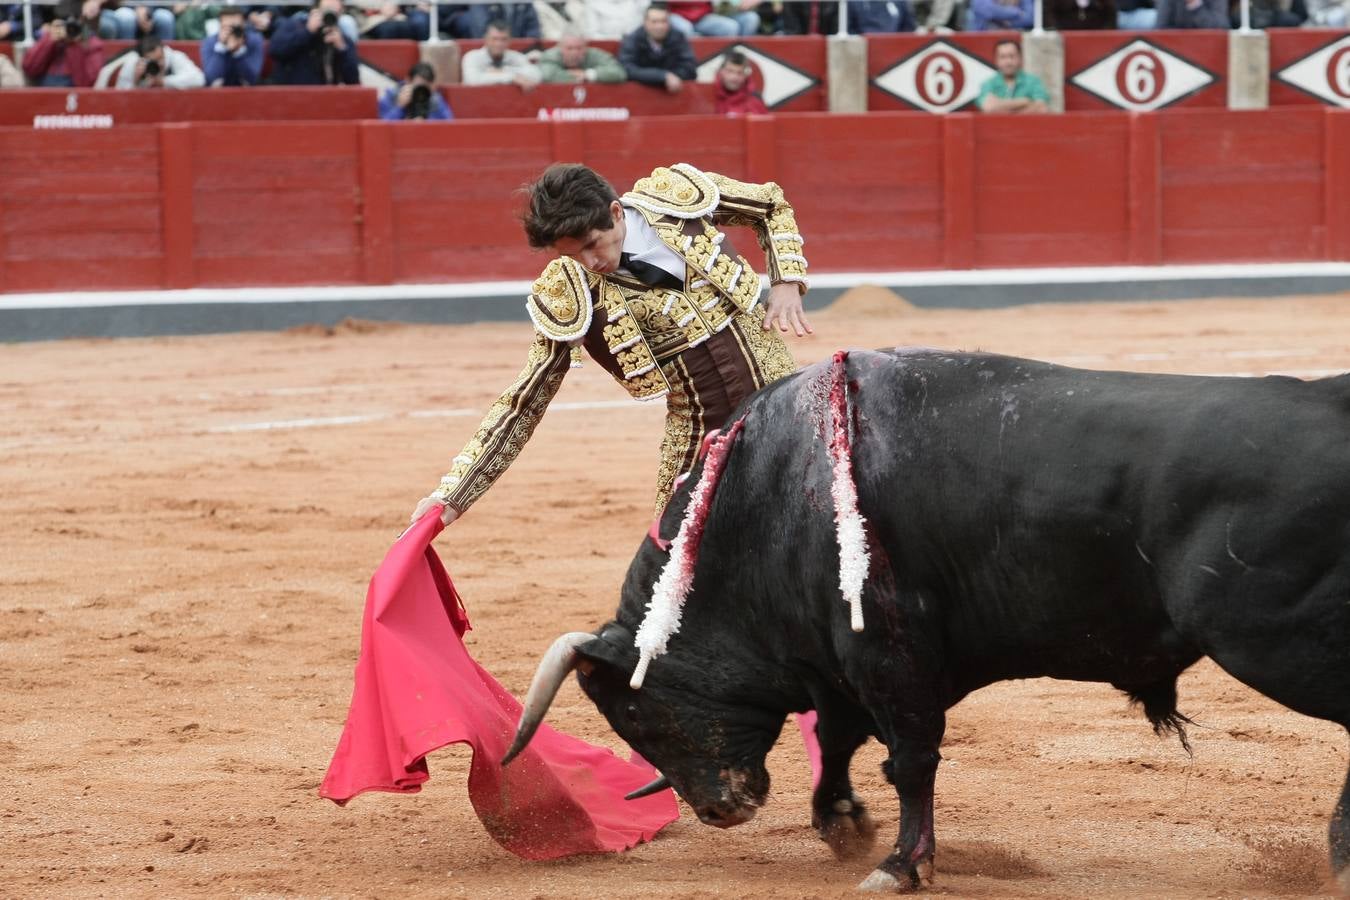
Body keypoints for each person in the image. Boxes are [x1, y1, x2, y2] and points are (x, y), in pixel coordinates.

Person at [408, 161, 812, 529]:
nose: (590, 262)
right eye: (573, 254)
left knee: (827, 515)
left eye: (592, 244)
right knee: (675, 553)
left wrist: (786, 283)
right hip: (697, 430)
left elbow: (769, 205)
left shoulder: (677, 197)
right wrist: (453, 496)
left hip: (781, 399)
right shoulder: (571, 292)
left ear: (615, 212)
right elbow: (525, 400)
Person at [268, 0, 359, 85]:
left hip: (325, 96)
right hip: (291, 93)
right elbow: (275, 50)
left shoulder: (342, 40)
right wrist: (308, 31)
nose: (328, 17)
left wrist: (342, 49)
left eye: (334, 13)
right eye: (326, 11)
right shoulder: (295, 26)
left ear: (341, 12)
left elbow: (353, 80)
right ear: (315, 10)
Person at [20, 1, 105, 87]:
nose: (69, 29)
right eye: (66, 22)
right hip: (45, 93)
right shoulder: (52, 37)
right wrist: (50, 40)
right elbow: (30, 69)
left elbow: (86, 83)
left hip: (75, 95)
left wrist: (75, 44)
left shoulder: (91, 42)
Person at [618, 3, 696, 95]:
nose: (659, 26)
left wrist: (672, 76)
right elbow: (627, 68)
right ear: (645, 22)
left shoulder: (678, 37)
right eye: (654, 22)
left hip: (674, 97)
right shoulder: (633, 39)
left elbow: (689, 67)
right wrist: (663, 76)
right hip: (638, 95)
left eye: (663, 21)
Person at [461, 19, 540, 87]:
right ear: (486, 39)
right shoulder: (472, 57)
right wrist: (511, 78)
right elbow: (472, 80)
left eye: (504, 39)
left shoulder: (516, 56)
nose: (499, 44)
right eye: (495, 39)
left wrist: (503, 70)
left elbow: (536, 76)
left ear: (510, 40)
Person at [976, 39, 1049, 114]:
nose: (1008, 62)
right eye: (1003, 57)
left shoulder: (1033, 81)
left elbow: (1041, 108)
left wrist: (999, 104)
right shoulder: (988, 83)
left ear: (1020, 58)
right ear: (996, 60)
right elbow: (988, 107)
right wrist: (1024, 101)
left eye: (1012, 56)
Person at [113, 32, 206, 87]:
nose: (159, 63)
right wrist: (135, 81)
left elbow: (199, 79)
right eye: (153, 61)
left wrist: (163, 81)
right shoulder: (134, 62)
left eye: (160, 58)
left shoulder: (175, 57)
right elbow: (120, 94)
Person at [537, 27, 625, 84]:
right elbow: (547, 75)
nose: (574, 52)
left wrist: (588, 74)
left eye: (579, 48)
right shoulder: (550, 56)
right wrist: (575, 77)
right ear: (560, 47)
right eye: (569, 48)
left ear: (586, 47)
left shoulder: (595, 54)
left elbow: (618, 73)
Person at [201, 6, 263, 85]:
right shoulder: (210, 42)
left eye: (236, 27)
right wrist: (221, 46)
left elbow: (252, 78)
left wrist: (238, 51)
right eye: (227, 27)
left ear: (244, 24)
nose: (232, 31)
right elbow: (211, 78)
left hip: (246, 92)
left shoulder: (254, 40)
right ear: (220, 26)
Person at [378, 61, 453, 118]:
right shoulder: (392, 95)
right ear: (408, 81)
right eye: (418, 86)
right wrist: (400, 107)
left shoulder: (434, 99)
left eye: (425, 88)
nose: (421, 93)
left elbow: (448, 126)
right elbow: (382, 128)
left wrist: (426, 121)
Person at [714, 49, 767, 115]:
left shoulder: (754, 100)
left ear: (746, 75)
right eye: (730, 71)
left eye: (739, 73)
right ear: (721, 71)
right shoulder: (709, 98)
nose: (734, 77)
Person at [668, 0, 761, 36]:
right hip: (676, 14)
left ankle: (728, 61)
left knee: (730, 27)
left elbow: (736, 4)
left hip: (702, 16)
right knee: (685, 28)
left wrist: (737, 2)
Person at [968, 0, 1033, 28]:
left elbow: (1029, 18)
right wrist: (1017, 12)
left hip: (1014, 40)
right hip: (983, 40)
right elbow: (989, 11)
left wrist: (998, 19)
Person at [1155, 0, 1227, 25]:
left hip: (1208, 45)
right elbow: (1161, 28)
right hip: (1178, 47)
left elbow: (1221, 27)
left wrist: (1195, 5)